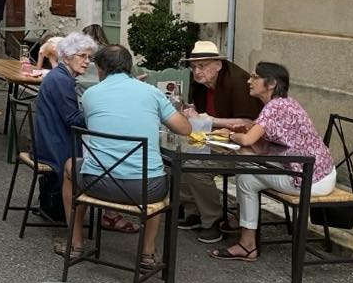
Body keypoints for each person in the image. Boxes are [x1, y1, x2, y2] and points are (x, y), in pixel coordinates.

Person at [61, 45, 191, 270]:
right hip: (144, 189)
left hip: (96, 184)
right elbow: (185, 129)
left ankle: (75, 243)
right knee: (160, 174)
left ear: (101, 69)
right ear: (129, 67)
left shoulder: (90, 95)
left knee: (70, 166)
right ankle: (147, 253)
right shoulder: (151, 92)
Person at [209, 62, 336, 262]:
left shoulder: (275, 107)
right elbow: (267, 143)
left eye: (255, 77)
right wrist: (245, 134)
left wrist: (232, 135)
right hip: (321, 173)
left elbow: (248, 140)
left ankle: (247, 242)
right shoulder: (285, 103)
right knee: (246, 176)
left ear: (271, 83)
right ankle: (245, 238)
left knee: (245, 175)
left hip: (309, 180)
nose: (249, 81)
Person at [178, 40, 264, 243]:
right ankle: (194, 212)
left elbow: (248, 122)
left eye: (202, 66)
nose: (197, 71)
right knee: (180, 155)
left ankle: (213, 220)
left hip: (245, 146)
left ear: (218, 64)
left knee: (193, 165)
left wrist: (210, 120)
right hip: (217, 139)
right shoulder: (201, 83)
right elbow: (200, 113)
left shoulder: (238, 82)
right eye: (193, 67)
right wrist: (191, 112)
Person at [33, 32, 98, 221]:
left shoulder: (59, 76)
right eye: (82, 56)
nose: (87, 61)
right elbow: (73, 119)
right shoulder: (61, 80)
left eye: (89, 57)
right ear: (68, 56)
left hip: (50, 137)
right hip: (54, 144)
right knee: (100, 161)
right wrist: (99, 115)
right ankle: (88, 213)